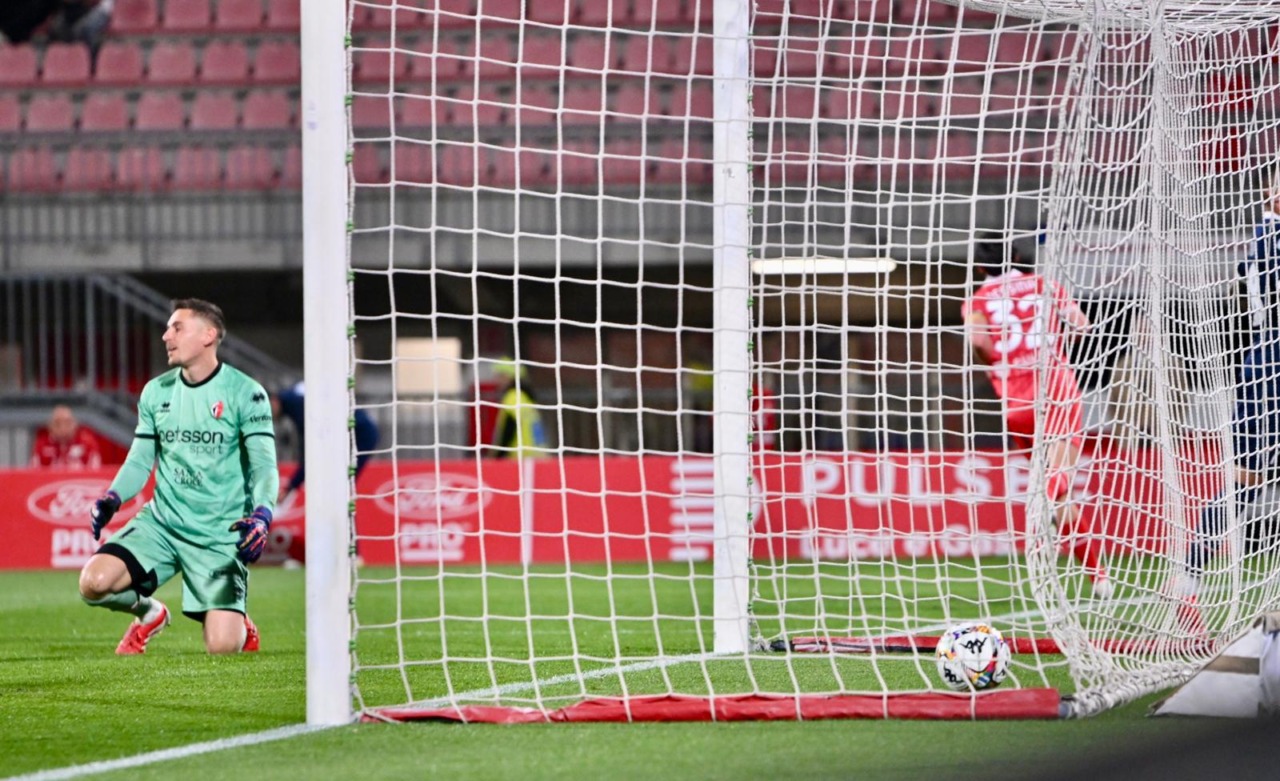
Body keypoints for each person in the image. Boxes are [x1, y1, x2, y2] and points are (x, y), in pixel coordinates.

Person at [78, 298, 277, 655]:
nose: (166, 336)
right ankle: (150, 613)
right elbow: (140, 460)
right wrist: (113, 497)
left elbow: (264, 466)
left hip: (218, 535)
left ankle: (238, 621)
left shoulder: (246, 393)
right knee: (93, 583)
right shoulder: (156, 392)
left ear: (208, 335)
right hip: (163, 525)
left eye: (177, 328)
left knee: (222, 647)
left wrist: (262, 514)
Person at [961, 235, 1108, 596]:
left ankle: (1098, 576)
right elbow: (1081, 325)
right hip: (1056, 392)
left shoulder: (978, 300)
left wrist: (998, 363)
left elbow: (978, 342)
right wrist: (1054, 343)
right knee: (1057, 484)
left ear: (980, 268)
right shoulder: (1045, 284)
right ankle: (1040, 522)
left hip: (1016, 401)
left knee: (1059, 494)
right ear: (1016, 256)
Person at [1178, 177, 1280, 633]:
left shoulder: (1261, 239)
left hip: (1261, 362)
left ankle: (1187, 581)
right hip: (1271, 366)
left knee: (1244, 484)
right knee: (1244, 483)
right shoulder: (1270, 238)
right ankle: (1187, 582)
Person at [273, 380, 380, 503]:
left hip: (361, 433)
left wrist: (291, 486)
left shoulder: (297, 405)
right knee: (339, 484)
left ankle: (340, 510)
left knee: (341, 485)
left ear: (273, 400)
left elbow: (310, 454)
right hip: (354, 430)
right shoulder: (294, 397)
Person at [486, 358, 548, 458]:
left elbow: (510, 426)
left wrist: (498, 455)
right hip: (537, 455)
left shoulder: (512, 396)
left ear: (508, 377)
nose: (496, 380)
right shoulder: (525, 397)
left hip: (520, 456)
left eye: (500, 375)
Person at [29, 404, 103, 469]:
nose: (63, 428)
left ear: (75, 424)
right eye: (57, 423)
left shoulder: (87, 443)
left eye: (67, 423)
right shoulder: (41, 445)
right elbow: (34, 471)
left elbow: (96, 470)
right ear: (50, 425)